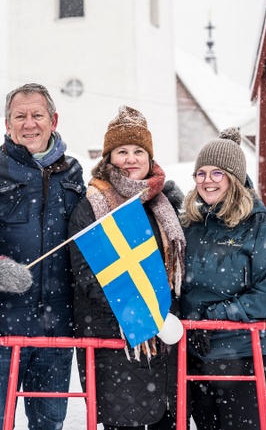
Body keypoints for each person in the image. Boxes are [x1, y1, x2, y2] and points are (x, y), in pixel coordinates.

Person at [0, 83, 86, 430]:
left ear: (53, 120)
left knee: (49, 424)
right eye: (19, 116)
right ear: (7, 124)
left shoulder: (73, 172)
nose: (29, 123)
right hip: (2, 327)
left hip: (58, 327)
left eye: (37, 115)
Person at [68, 106, 186, 430]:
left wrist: (164, 317)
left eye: (139, 151)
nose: (131, 159)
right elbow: (89, 277)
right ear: (109, 158)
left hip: (166, 344)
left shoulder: (165, 206)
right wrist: (145, 317)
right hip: (118, 344)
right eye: (122, 151)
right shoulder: (91, 208)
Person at [180, 128, 266, 430]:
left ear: (234, 178)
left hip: (244, 352)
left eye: (217, 172)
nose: (207, 180)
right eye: (200, 173)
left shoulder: (260, 230)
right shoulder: (191, 225)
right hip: (196, 352)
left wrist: (215, 317)